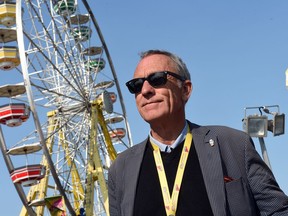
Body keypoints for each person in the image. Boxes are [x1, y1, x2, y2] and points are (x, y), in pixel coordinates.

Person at [108, 49, 288, 216]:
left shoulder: (233, 145)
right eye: (136, 85)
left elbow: (278, 210)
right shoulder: (121, 169)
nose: (145, 90)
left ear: (185, 90)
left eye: (157, 79)